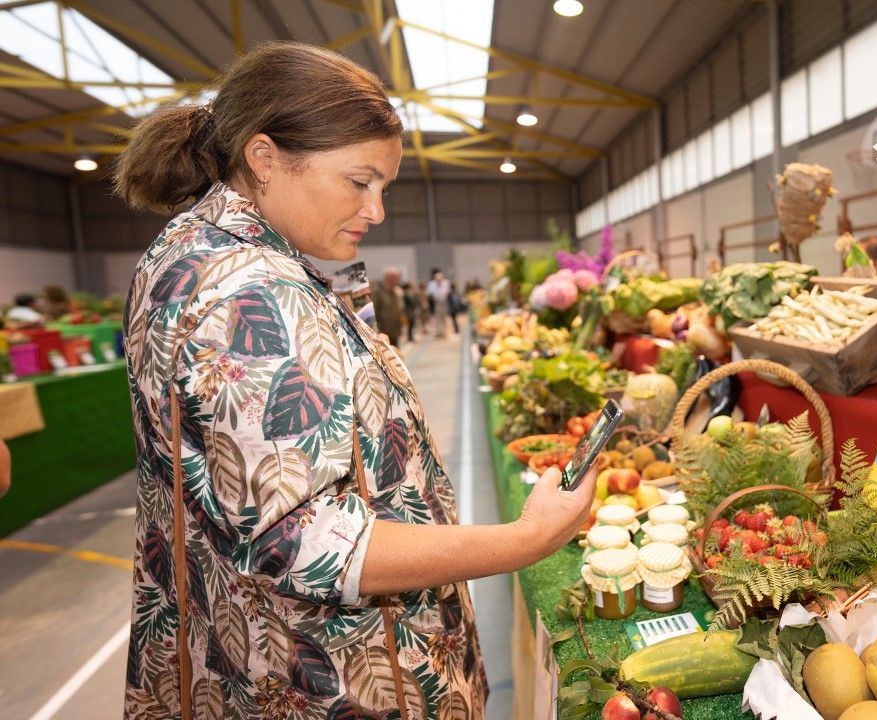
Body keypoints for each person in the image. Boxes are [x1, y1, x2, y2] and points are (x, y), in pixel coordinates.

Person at [112, 42, 595, 720]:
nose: (376, 211)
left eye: (383, 188)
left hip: (243, 654)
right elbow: (300, 542)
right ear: (265, 157)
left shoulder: (184, 252)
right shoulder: (251, 294)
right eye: (358, 181)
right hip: (338, 678)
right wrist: (523, 540)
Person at [371, 265, 404, 346]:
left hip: (394, 332)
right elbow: (374, 313)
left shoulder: (395, 292)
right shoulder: (377, 292)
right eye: (397, 278)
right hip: (382, 334)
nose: (399, 280)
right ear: (388, 278)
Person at [427, 270, 453, 339]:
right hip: (437, 304)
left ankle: (445, 332)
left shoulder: (446, 283)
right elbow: (431, 293)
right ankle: (439, 332)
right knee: (438, 318)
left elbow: (446, 293)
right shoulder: (432, 284)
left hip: (444, 303)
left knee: (444, 318)